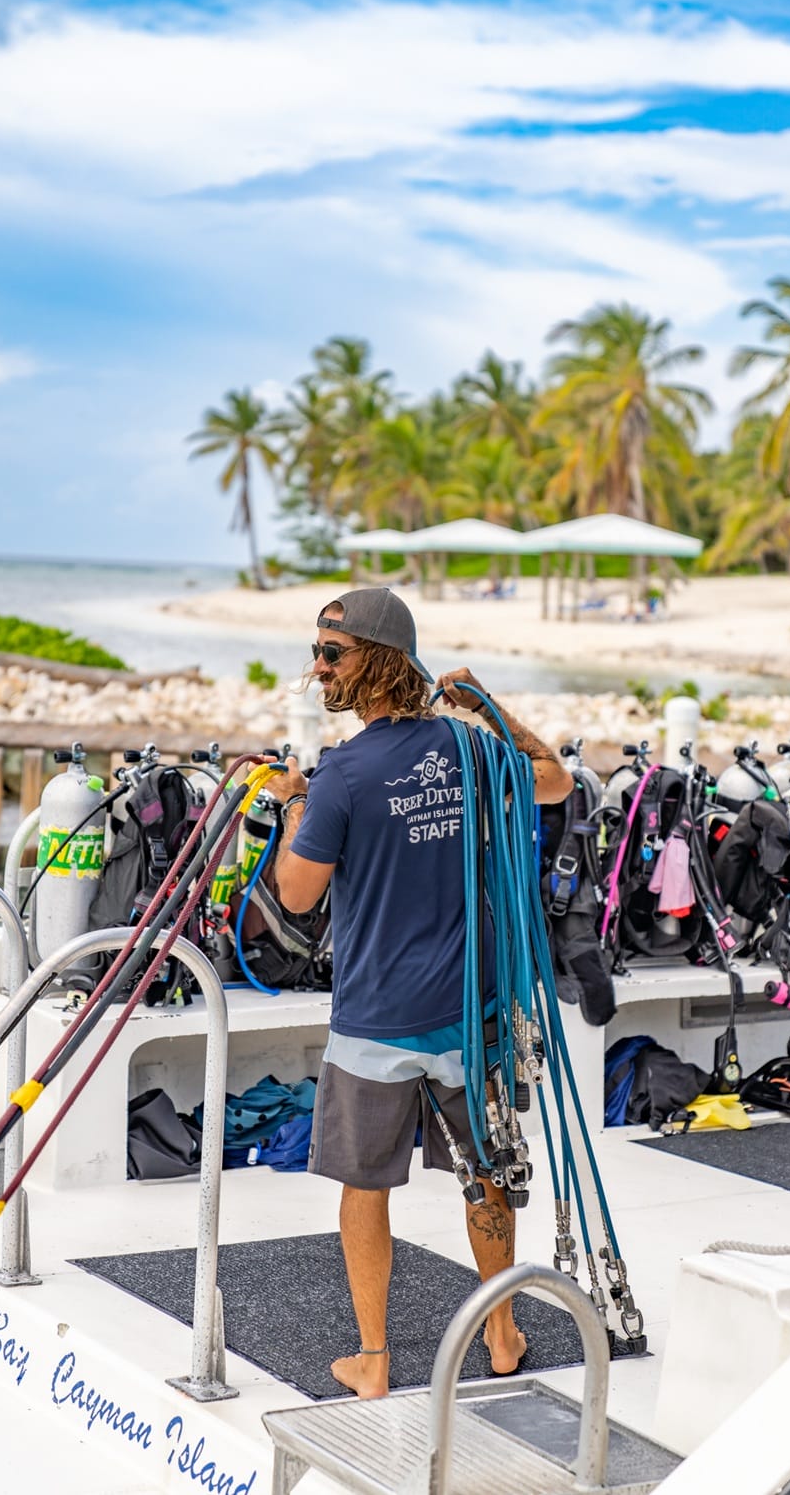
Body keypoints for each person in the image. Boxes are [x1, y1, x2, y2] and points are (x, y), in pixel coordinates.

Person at [265, 587, 573, 1399]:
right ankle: (501, 1333)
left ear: (379, 661)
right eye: (317, 652)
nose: (319, 668)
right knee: (487, 1172)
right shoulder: (473, 750)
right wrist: (490, 709)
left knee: (365, 1187)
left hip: (377, 1021)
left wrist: (294, 804)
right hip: (469, 1017)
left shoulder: (341, 775)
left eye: (333, 653)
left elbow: (296, 894)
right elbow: (554, 779)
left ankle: (373, 1360)